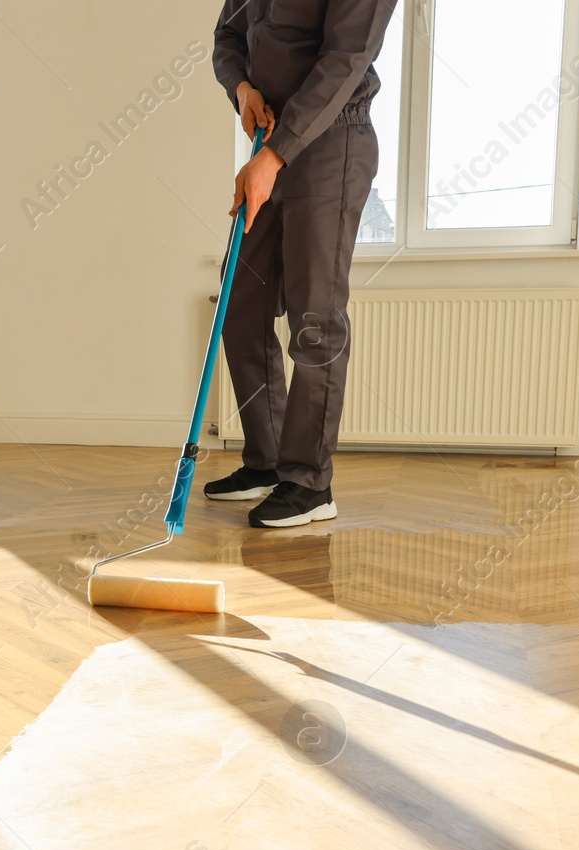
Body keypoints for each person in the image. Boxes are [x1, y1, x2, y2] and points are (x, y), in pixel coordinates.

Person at [204, 0, 399, 528]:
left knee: (314, 318)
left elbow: (346, 58)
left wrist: (275, 155)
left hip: (332, 143)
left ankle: (309, 482)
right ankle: (266, 462)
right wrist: (242, 89)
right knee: (239, 306)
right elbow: (228, 36)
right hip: (271, 142)